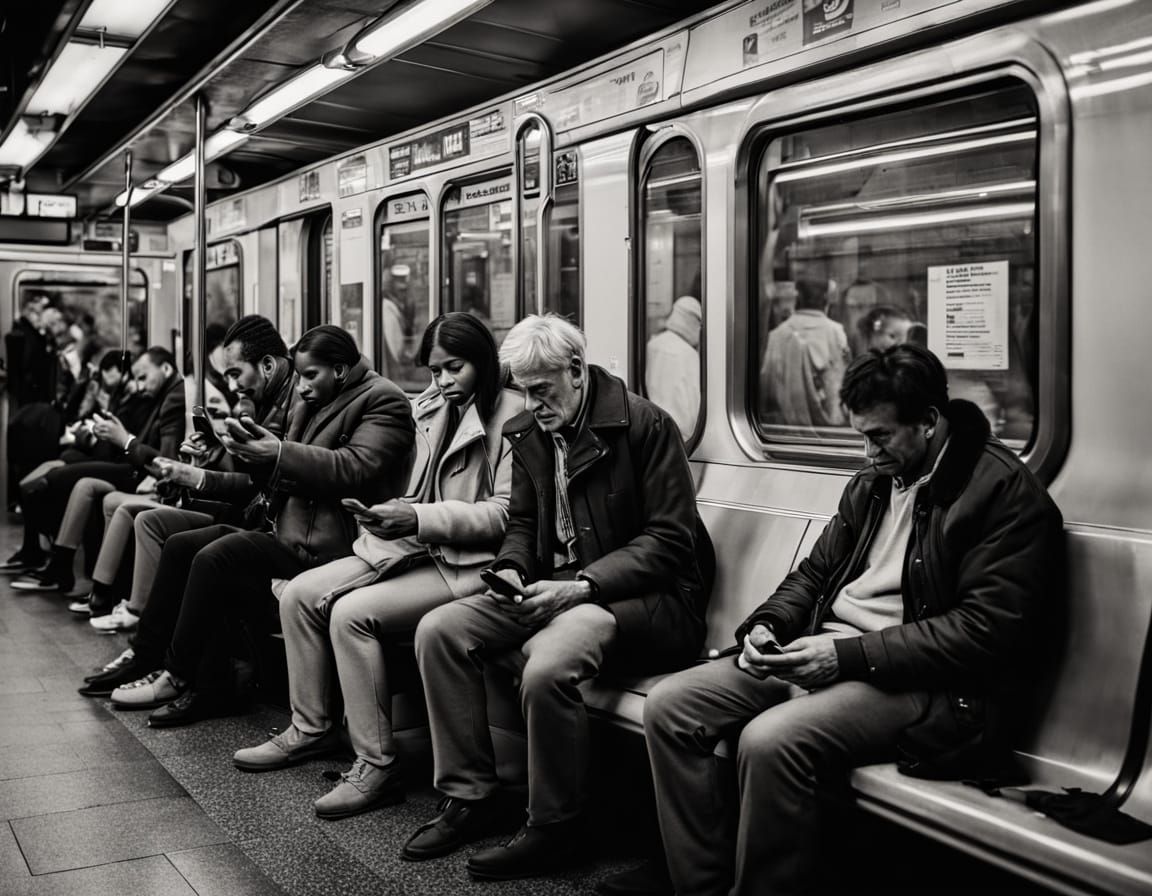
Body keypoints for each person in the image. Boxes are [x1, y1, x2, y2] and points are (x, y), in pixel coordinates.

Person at [602, 343, 1062, 896]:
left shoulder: (1003, 494)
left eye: (880, 437)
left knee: (772, 741)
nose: (868, 453)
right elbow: (815, 575)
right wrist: (766, 626)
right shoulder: (873, 482)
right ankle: (699, 883)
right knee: (675, 705)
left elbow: (984, 632)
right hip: (832, 650)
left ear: (930, 422)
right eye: (861, 437)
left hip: (922, 682)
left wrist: (844, 656)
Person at [401, 314, 714, 880]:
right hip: (564, 585)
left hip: (650, 600)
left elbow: (670, 542)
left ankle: (556, 826)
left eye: (543, 392)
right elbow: (522, 521)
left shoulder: (644, 426)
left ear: (575, 370)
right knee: (441, 631)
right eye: (525, 393)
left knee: (546, 663)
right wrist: (513, 569)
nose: (535, 406)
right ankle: (471, 795)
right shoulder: (533, 431)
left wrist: (582, 587)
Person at [232, 312, 521, 820]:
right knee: (300, 594)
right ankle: (311, 726)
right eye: (434, 371)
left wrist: (416, 517)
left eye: (454, 368)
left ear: (482, 362)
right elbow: (418, 489)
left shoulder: (510, 419)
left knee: (350, 614)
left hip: (470, 560)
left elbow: (504, 514)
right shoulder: (432, 408)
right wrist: (392, 518)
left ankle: (375, 764)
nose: (443, 381)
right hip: (417, 543)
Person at [108, 325, 415, 728]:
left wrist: (278, 453)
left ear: (339, 370)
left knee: (218, 556)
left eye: (311, 376)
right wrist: (228, 452)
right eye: (301, 376)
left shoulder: (382, 400)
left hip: (334, 544)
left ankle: (177, 674)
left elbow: (354, 468)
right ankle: (167, 664)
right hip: (292, 530)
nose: (302, 387)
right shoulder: (312, 401)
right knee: (185, 547)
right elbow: (278, 473)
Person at [78, 316, 298, 694]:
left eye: (234, 374)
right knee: (153, 522)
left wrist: (194, 471)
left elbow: (265, 482)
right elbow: (255, 479)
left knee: (193, 547)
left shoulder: (284, 408)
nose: (230, 384)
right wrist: (209, 459)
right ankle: (145, 648)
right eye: (224, 375)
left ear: (267, 365)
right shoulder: (259, 405)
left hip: (267, 519)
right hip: (249, 508)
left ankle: (166, 663)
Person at [5, 347, 184, 585]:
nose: (140, 385)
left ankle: (56, 560)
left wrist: (123, 438)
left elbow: (163, 459)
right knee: (63, 469)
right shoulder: (154, 396)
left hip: (138, 469)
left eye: (143, 378)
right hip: (131, 463)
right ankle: (58, 560)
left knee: (61, 475)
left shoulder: (169, 398)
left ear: (166, 369)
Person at [759, 279, 849, 427]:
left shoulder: (776, 335)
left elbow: (767, 387)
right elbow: (843, 383)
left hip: (787, 428)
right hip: (831, 430)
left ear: (797, 300)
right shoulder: (835, 332)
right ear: (826, 300)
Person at [644, 296, 702, 441]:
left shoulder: (651, 345)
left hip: (652, 431)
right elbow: (694, 407)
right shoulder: (689, 355)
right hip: (680, 437)